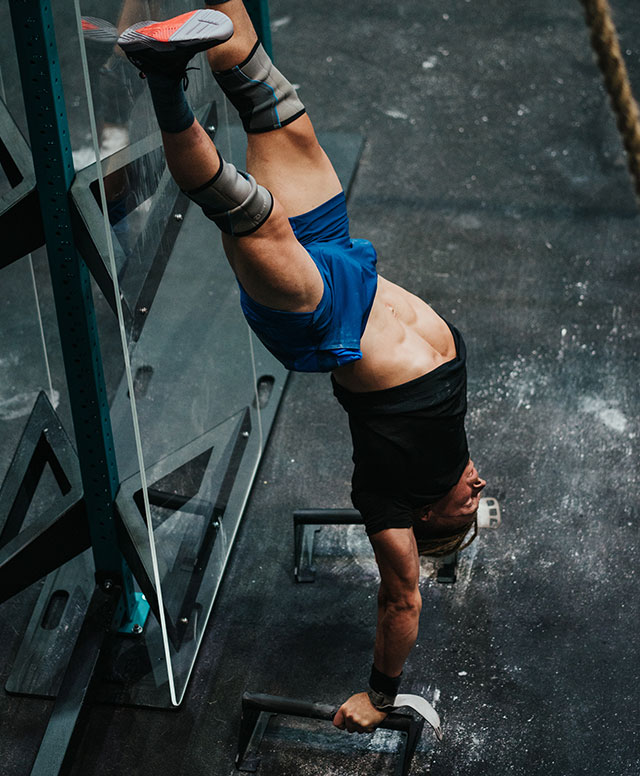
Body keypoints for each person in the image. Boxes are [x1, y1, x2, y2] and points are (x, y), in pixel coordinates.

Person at [110, 2, 487, 735]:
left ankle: (159, 73)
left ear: (424, 518)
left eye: (467, 507)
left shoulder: (386, 499)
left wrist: (379, 695)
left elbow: (402, 598)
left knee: (241, 206)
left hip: (317, 322)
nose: (478, 486)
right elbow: (461, 487)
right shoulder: (451, 449)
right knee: (272, 101)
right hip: (345, 261)